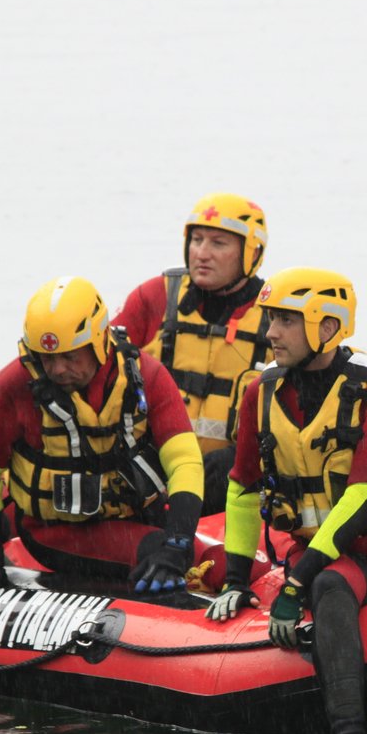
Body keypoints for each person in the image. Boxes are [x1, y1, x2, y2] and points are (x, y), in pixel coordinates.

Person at [205, 267, 367, 734]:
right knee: (329, 580)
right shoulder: (260, 393)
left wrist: (296, 582)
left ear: (328, 328)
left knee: (326, 582)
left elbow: (364, 496)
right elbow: (243, 490)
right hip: (322, 556)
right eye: (270, 319)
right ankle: (347, 732)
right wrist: (234, 580)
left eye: (286, 321)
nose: (270, 333)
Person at [0, 276, 206, 616]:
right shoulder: (5, 391)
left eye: (70, 356)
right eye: (45, 357)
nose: (57, 369)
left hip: (138, 516)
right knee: (156, 549)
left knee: (202, 557)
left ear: (100, 340)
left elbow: (185, 461)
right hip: (56, 532)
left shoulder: (148, 376)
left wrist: (178, 542)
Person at [114, 193, 272, 515]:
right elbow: (93, 362)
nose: (202, 253)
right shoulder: (155, 296)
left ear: (252, 252)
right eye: (196, 240)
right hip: (157, 467)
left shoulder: (275, 315)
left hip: (232, 478)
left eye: (218, 243)